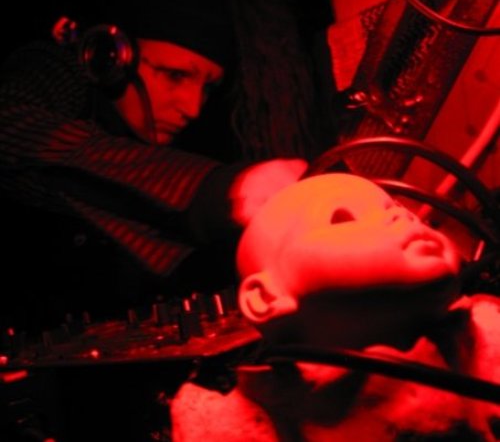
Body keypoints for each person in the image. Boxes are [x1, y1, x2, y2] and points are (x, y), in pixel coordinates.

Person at [0, 0, 328, 333]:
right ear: (112, 58)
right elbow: (9, 125)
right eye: (174, 75)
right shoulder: (59, 70)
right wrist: (215, 190)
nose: (193, 107)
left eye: (207, 88)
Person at [171, 173, 500, 441]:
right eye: (342, 218)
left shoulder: (487, 332)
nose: (402, 215)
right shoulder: (244, 422)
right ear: (265, 297)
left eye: (399, 208)